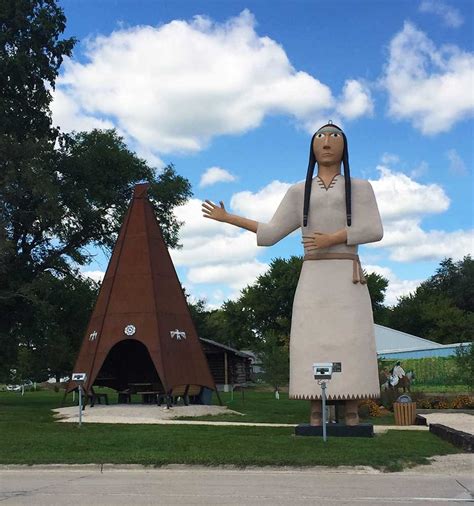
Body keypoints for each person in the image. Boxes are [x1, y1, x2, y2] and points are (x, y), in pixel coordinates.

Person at [202, 122, 383, 426]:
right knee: (311, 340)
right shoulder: (299, 191)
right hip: (312, 278)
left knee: (351, 340)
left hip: (346, 276)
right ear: (312, 146)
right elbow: (272, 233)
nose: (327, 141)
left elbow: (373, 229)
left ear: (344, 146)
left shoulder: (361, 187)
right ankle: (316, 407)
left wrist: (332, 238)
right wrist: (229, 217)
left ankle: (351, 407)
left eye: (334, 136)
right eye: (321, 136)